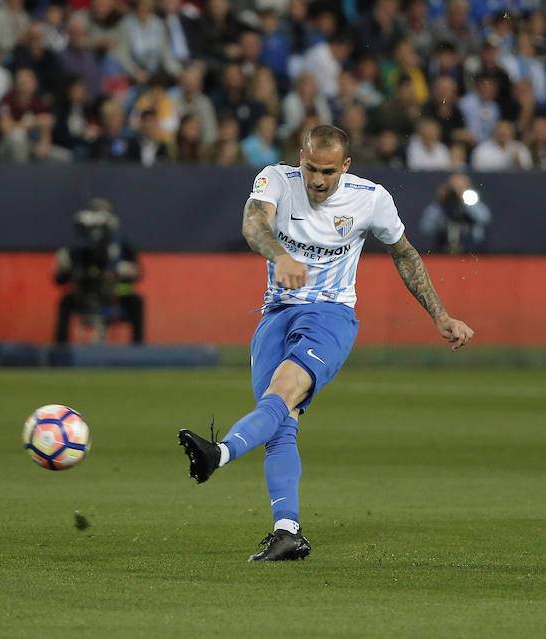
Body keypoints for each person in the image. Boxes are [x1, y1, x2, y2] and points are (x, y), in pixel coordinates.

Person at [178, 125, 474, 561]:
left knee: (281, 396)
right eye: (311, 167)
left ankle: (219, 454)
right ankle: (287, 532)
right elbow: (253, 222)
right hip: (276, 314)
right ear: (301, 156)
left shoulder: (370, 198)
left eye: (328, 172)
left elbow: (405, 253)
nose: (317, 180)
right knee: (279, 418)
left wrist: (441, 315)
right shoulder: (277, 180)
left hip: (330, 316)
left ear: (346, 166)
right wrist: (281, 256)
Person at [55, 199, 144, 345]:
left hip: (115, 295)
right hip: (84, 296)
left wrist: (125, 270)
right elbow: (61, 279)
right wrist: (62, 267)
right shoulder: (79, 250)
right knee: (65, 302)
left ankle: (137, 350)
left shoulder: (121, 247)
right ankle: (60, 349)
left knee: (136, 301)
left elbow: (138, 274)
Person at [420, 173, 491, 253]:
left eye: (461, 187)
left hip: (471, 250)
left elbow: (484, 219)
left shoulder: (472, 203)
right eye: (454, 188)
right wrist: (439, 202)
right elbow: (426, 227)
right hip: (443, 250)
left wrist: (465, 200)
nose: (456, 191)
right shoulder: (440, 206)